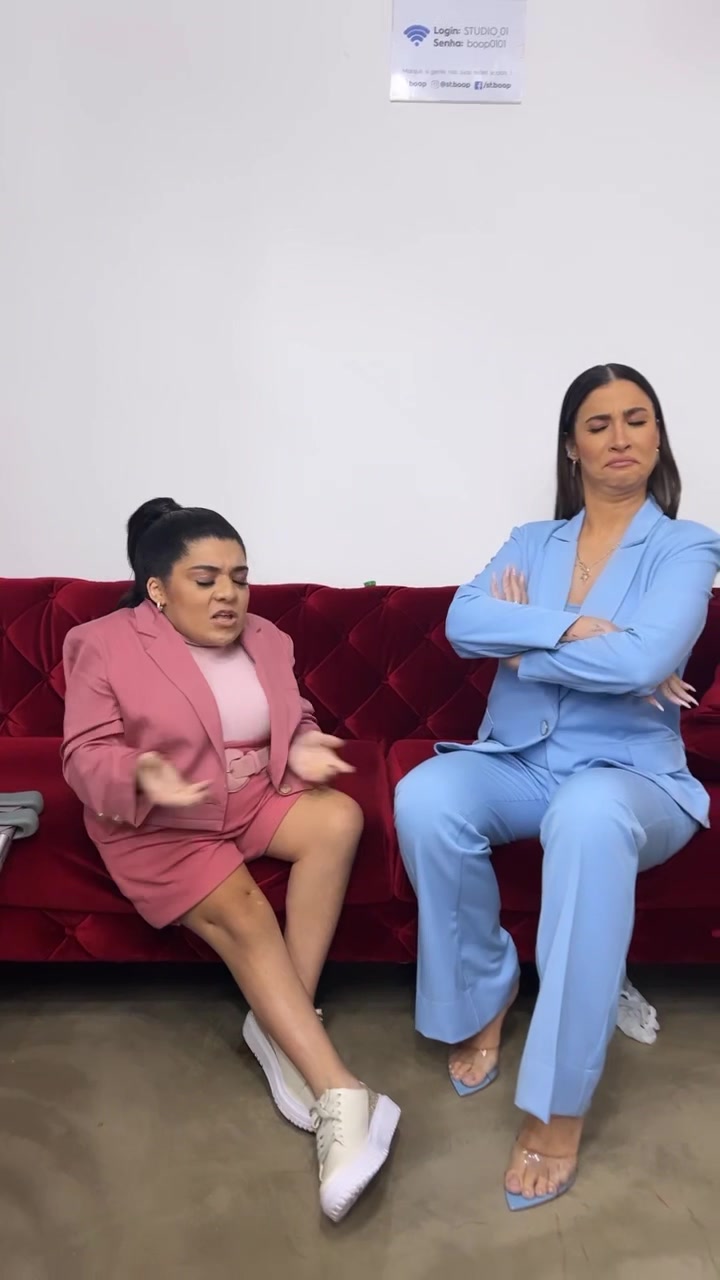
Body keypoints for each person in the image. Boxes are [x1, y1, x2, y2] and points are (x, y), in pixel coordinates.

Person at [394, 363, 720, 1211]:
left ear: (658, 436)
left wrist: (524, 649)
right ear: (572, 446)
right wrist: (578, 628)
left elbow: (646, 661)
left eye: (637, 419)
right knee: (427, 797)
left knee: (588, 814)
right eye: (598, 424)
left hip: (631, 776)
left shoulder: (687, 546)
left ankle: (557, 1103)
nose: (620, 437)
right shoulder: (532, 541)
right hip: (520, 760)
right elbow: (464, 621)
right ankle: (484, 992)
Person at [61, 498, 400, 1223]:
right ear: (159, 589)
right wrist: (139, 773)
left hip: (250, 797)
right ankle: (343, 1094)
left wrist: (303, 742)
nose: (229, 595)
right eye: (207, 579)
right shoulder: (101, 642)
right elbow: (83, 754)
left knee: (338, 818)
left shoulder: (269, 637)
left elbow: (293, 713)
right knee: (243, 908)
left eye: (240, 578)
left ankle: (278, 1025)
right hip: (163, 819)